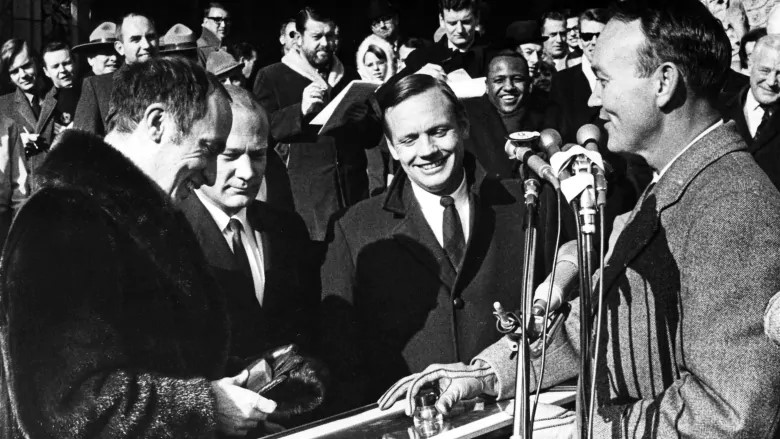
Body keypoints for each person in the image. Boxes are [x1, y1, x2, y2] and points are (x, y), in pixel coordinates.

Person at [379, 2, 780, 437]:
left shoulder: (731, 204)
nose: (592, 99)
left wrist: (586, 431)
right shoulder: (676, 184)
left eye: (604, 80)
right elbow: (597, 323)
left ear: (664, 82)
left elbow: (732, 415)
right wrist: (486, 375)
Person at [0, 57, 281, 438]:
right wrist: (207, 407)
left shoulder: (146, 219)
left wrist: (251, 377)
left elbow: (167, 361)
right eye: (209, 148)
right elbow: (64, 406)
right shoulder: (62, 219)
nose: (212, 174)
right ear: (156, 122)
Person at [319, 74, 559, 412]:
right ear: (390, 146)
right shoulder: (354, 228)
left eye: (438, 131)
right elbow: (342, 355)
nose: (427, 151)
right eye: (409, 139)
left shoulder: (528, 204)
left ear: (463, 126)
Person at [180, 85, 318, 362]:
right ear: (198, 150)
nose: (247, 173)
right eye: (230, 156)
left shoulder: (288, 229)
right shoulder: (169, 235)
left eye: (257, 155)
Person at [253, 6, 376, 242]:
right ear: (298, 38)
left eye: (330, 36)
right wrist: (299, 110)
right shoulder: (272, 76)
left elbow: (372, 137)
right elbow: (261, 132)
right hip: (306, 204)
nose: (325, 43)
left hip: (353, 194)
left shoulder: (350, 77)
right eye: (317, 37)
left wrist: (363, 120)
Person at [462, 51, 557, 179]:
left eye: (517, 79)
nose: (508, 87)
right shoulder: (466, 116)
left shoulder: (548, 113)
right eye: (499, 80)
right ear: (487, 86)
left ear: (529, 84)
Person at [74, 12, 159, 136]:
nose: (146, 45)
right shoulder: (98, 87)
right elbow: (83, 144)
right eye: (135, 39)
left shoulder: (178, 81)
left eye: (151, 37)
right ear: (120, 48)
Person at [722, 35, 780, 190]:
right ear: (750, 65)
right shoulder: (720, 111)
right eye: (765, 70)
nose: (771, 81)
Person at [391, 0, 487, 81]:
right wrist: (417, 80)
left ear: (477, 18)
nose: (459, 30)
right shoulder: (421, 58)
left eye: (466, 22)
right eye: (452, 23)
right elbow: (381, 95)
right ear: (441, 20)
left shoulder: (493, 55)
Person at [0, 39, 44, 133]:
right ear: (9, 77)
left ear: (36, 62)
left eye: (27, 65)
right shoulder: (2, 107)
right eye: (14, 71)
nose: (23, 75)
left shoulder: (60, 94)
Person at [198, 1, 231, 66]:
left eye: (226, 20)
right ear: (205, 22)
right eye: (217, 20)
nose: (223, 25)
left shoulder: (229, 48)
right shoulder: (199, 50)